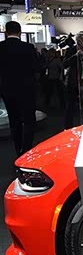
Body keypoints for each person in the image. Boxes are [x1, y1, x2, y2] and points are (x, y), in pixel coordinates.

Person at [0, 21, 38, 157]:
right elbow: (36, 67)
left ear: (6, 32)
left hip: (7, 90)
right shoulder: (28, 47)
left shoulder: (1, 48)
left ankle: (18, 150)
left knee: (14, 120)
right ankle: (26, 149)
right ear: (20, 32)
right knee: (29, 120)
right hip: (27, 89)